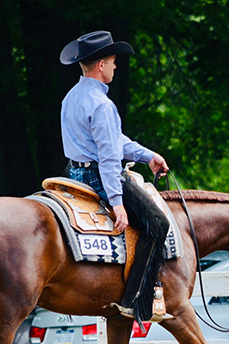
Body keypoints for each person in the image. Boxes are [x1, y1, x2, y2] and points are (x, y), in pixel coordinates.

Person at [60, 30, 171, 324]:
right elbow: (109, 158)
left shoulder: (72, 98)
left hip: (73, 174)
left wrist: (148, 156)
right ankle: (135, 300)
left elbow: (112, 141)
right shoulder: (102, 105)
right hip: (100, 176)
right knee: (159, 223)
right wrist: (117, 201)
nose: (115, 66)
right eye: (112, 61)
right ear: (100, 65)